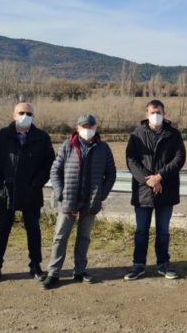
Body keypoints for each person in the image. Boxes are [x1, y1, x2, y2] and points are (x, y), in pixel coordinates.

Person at [0, 102, 55, 284]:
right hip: (5, 191)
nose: (25, 116)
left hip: (31, 191)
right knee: (2, 230)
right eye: (21, 113)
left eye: (29, 114)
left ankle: (35, 266)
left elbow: (49, 163)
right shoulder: (0, 136)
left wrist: (37, 182)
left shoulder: (41, 137)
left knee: (33, 229)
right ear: (13, 115)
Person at [41, 114, 116, 289]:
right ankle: (53, 273)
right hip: (68, 199)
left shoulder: (103, 148)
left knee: (84, 237)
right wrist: (60, 192)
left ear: (96, 128)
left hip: (91, 200)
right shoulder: (67, 146)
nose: (87, 130)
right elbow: (55, 171)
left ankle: (80, 271)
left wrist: (102, 194)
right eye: (84, 126)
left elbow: (111, 173)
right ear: (77, 128)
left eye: (91, 126)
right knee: (60, 237)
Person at [124, 100, 186, 280]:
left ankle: (163, 264)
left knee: (163, 232)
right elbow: (131, 161)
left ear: (164, 114)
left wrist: (160, 176)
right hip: (143, 192)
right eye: (152, 112)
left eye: (159, 112)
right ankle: (138, 265)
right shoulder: (136, 135)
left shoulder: (173, 134)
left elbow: (179, 158)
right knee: (141, 231)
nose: (156, 115)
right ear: (146, 114)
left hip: (167, 190)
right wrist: (150, 181)